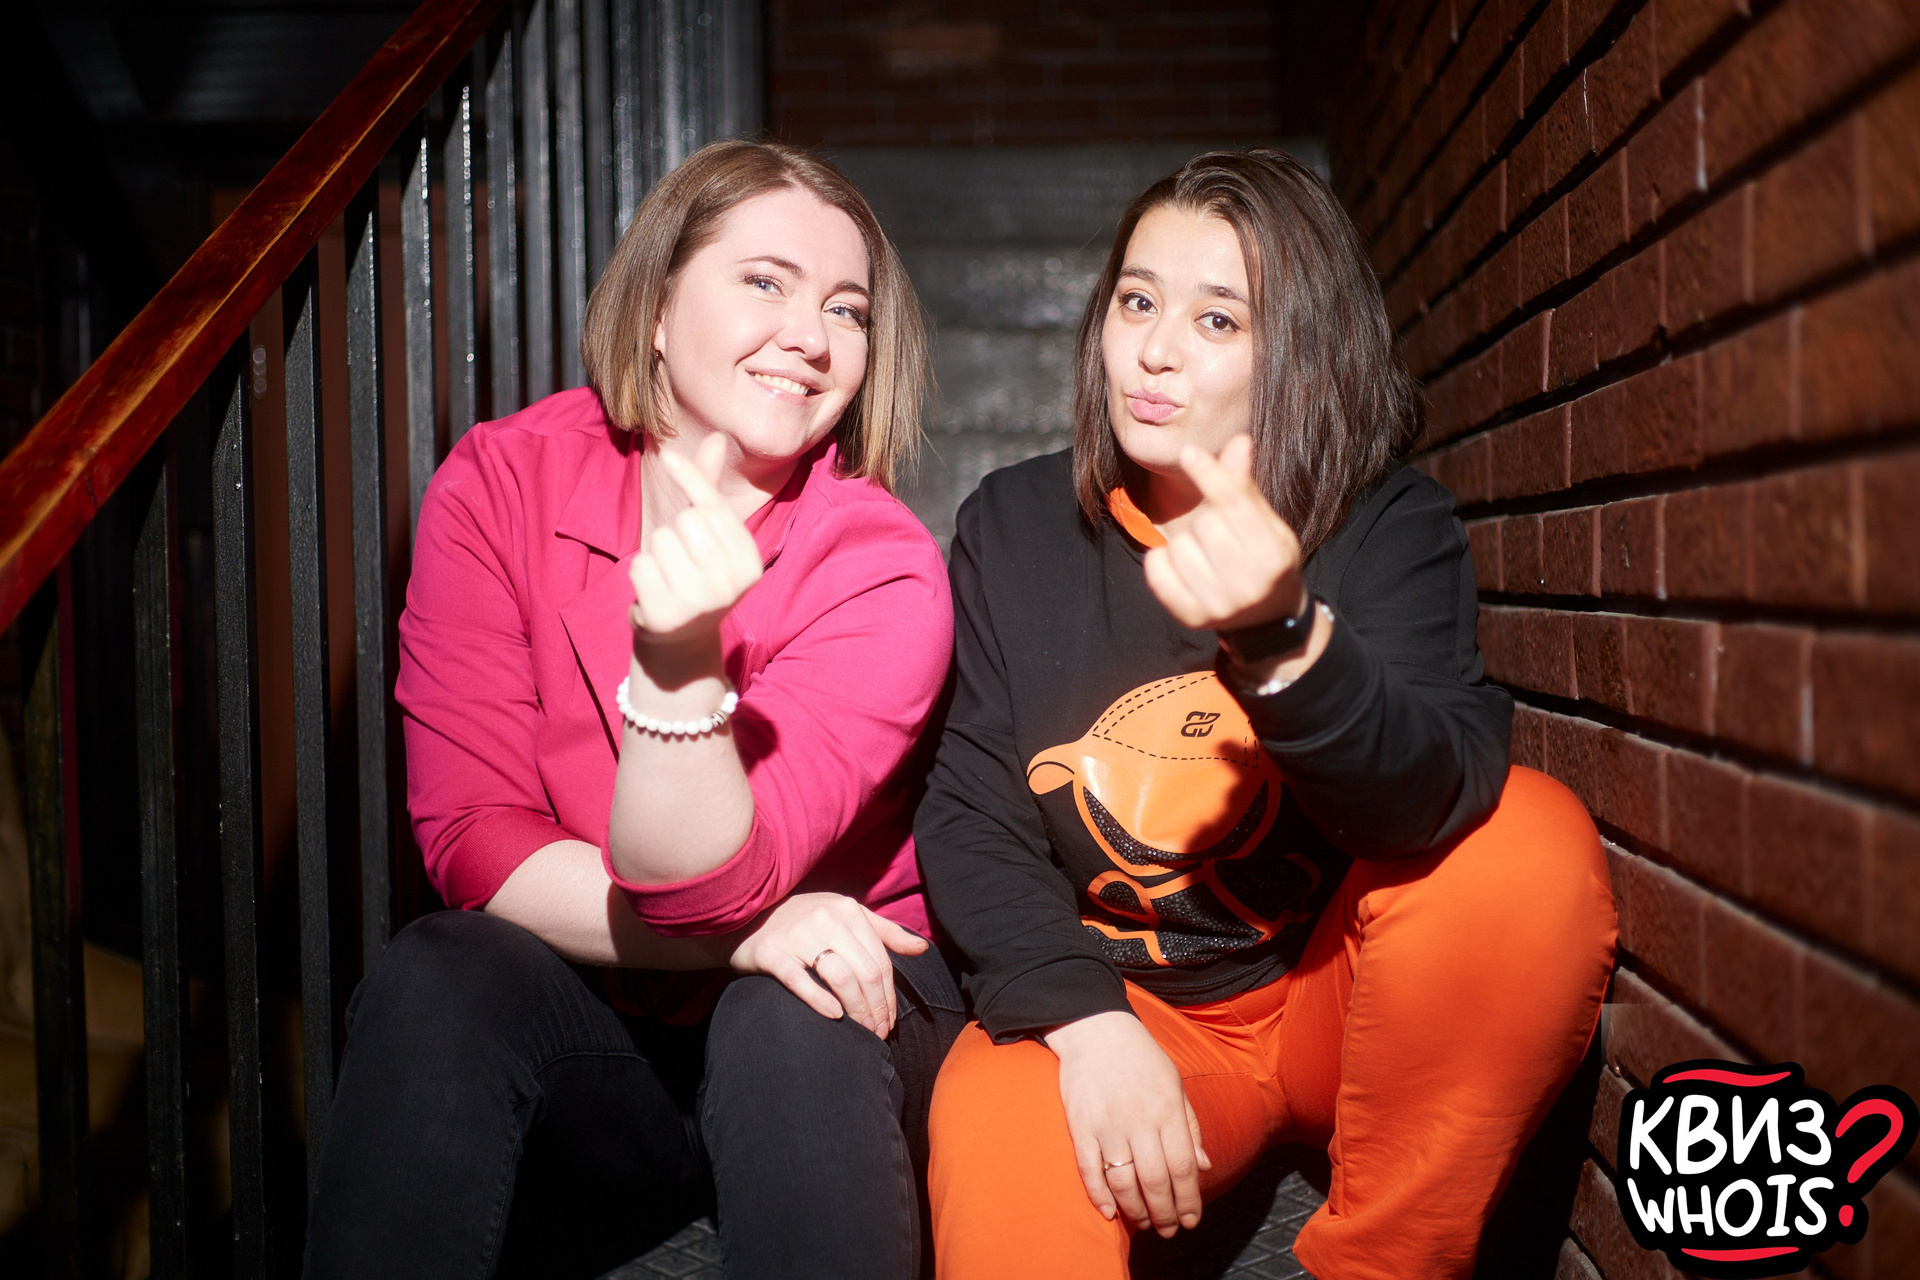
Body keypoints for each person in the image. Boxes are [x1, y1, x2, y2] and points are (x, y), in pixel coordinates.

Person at [915, 148, 1618, 1279]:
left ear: (1296, 347)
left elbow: (1427, 799)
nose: (1155, 350)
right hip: (1142, 1013)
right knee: (1000, 1107)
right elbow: (970, 812)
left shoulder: (1384, 522)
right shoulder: (1014, 524)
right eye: (1136, 302)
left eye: (1217, 319)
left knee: (1528, 837)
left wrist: (1283, 638)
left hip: (1350, 998)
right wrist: (1086, 1022)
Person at [305, 140, 965, 1280]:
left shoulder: (883, 563)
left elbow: (713, 878)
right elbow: (473, 838)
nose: (812, 337)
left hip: (838, 1037)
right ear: (657, 307)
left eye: (846, 309)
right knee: (440, 969)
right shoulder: (502, 481)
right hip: (616, 1030)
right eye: (765, 281)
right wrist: (749, 935)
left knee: (791, 1008)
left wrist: (676, 664)